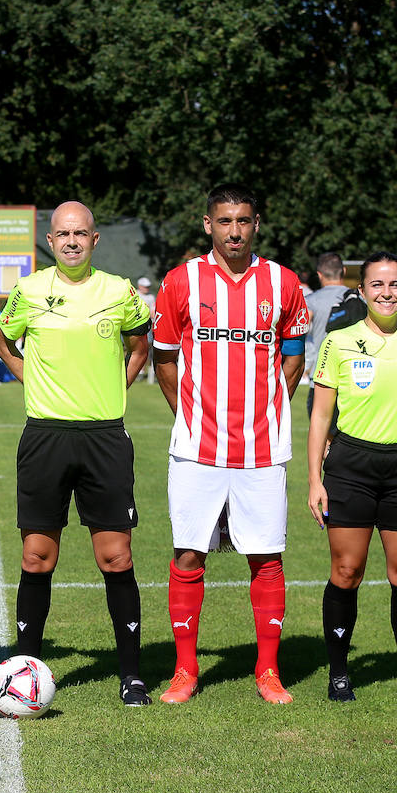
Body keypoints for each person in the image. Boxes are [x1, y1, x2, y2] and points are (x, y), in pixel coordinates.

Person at [151, 182, 309, 705]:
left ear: (256, 224)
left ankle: (268, 671)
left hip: (262, 450)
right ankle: (185, 671)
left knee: (265, 557)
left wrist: (269, 408)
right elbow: (166, 361)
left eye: (243, 221)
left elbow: (292, 357)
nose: (234, 231)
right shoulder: (180, 282)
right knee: (189, 553)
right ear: (208, 224)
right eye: (225, 221)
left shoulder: (284, 284)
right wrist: (192, 415)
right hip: (197, 448)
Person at [0, 201, 153, 706]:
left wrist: (115, 391)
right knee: (38, 556)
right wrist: (30, 379)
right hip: (45, 437)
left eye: (80, 233)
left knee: (116, 555)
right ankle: (25, 665)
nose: (71, 241)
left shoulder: (120, 292)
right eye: (62, 234)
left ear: (95, 239)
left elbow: (140, 346)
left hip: (105, 437)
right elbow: (3, 340)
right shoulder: (30, 290)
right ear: (51, 240)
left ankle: (131, 675)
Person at [307, 251, 397, 705]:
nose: (386, 293)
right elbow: (320, 416)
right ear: (362, 290)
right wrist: (315, 478)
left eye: (395, 285)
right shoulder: (338, 340)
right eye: (377, 285)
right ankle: (339, 673)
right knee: (346, 571)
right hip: (351, 466)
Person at [305, 253, 350, 417]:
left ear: (319, 275)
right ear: (343, 271)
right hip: (353, 381)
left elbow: (299, 332)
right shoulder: (359, 299)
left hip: (320, 379)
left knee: (322, 438)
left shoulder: (311, 300)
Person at [136, 276, 158, 383]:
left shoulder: (151, 297)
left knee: (145, 349)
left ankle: (141, 371)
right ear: (140, 286)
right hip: (134, 325)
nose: (147, 288)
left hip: (147, 325)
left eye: (148, 286)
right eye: (145, 286)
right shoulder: (135, 293)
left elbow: (152, 311)